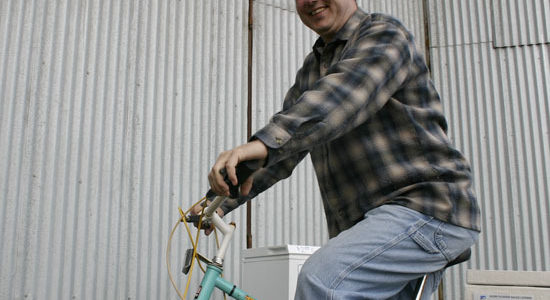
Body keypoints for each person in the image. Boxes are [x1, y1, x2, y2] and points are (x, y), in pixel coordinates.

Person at [201, 0, 481, 299]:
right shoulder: (312, 71)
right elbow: (281, 155)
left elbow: (338, 99)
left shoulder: (384, 35)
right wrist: (214, 202)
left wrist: (262, 143)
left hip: (425, 208)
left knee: (324, 280)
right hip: (374, 224)